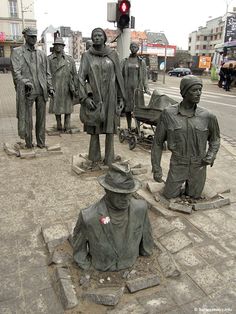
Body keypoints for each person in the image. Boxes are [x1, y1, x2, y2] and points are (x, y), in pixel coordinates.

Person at [72, 163, 153, 271]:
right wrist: (88, 269)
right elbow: (79, 254)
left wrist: (146, 254)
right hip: (102, 268)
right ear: (107, 190)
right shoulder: (89, 217)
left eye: (129, 193)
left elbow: (146, 244)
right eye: (120, 194)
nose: (126, 198)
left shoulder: (140, 209)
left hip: (130, 262)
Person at [151, 75, 220, 199]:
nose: (198, 93)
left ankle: (192, 190)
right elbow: (157, 143)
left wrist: (211, 155)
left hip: (198, 165)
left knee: (194, 196)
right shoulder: (168, 114)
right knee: (169, 196)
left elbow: (215, 139)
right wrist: (156, 168)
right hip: (178, 163)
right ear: (184, 92)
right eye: (194, 90)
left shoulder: (208, 116)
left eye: (200, 90)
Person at [78, 27, 126, 165]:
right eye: (94, 35)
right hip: (95, 96)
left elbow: (119, 77)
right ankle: (94, 157)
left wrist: (120, 98)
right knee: (95, 127)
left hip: (111, 95)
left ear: (104, 38)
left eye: (100, 35)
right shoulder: (87, 56)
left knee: (110, 127)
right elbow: (80, 78)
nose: (97, 37)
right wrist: (85, 98)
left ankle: (109, 157)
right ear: (92, 38)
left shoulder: (113, 54)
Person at [11, 27, 54, 148]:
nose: (34, 39)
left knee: (41, 119)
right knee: (27, 119)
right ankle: (29, 143)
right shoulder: (17, 52)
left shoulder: (41, 54)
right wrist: (24, 82)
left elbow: (47, 73)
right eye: (31, 36)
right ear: (25, 37)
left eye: (35, 36)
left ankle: (41, 142)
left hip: (41, 89)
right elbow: (16, 72)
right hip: (27, 91)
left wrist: (50, 87)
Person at [48, 37, 78, 132]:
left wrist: (76, 87)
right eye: (56, 45)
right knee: (57, 108)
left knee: (67, 107)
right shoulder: (49, 59)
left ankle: (67, 124)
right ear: (54, 46)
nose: (58, 47)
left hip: (67, 87)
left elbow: (75, 74)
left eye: (60, 45)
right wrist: (49, 87)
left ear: (63, 47)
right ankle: (58, 124)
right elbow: (46, 74)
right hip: (55, 86)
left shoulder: (69, 60)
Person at [121, 42, 151, 130]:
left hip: (137, 89)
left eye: (135, 47)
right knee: (128, 109)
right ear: (130, 48)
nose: (134, 48)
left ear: (138, 49)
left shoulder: (141, 62)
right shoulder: (125, 61)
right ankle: (129, 127)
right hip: (127, 88)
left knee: (138, 109)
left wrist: (146, 88)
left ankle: (138, 128)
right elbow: (120, 74)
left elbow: (145, 77)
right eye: (132, 47)